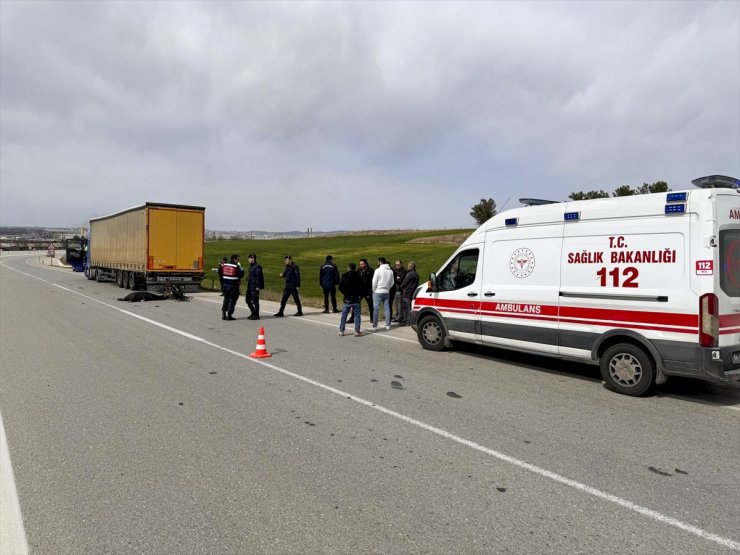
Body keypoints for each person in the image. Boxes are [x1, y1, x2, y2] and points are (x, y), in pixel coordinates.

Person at [337, 262, 364, 337]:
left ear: (348, 268)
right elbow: (362, 287)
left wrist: (345, 293)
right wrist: (360, 295)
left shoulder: (344, 276)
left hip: (347, 298)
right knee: (357, 315)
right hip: (356, 298)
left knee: (344, 315)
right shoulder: (358, 276)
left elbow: (340, 287)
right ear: (355, 268)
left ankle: (341, 330)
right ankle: (357, 331)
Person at [371, 256, 394, 331]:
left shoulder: (378, 270)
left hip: (378, 291)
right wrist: (388, 288)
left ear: (380, 262)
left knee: (376, 308)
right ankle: (388, 324)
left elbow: (374, 282)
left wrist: (374, 290)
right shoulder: (390, 271)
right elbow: (392, 282)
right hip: (386, 291)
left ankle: (375, 325)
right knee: (387, 308)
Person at [348, 258, 374, 324]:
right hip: (359, 291)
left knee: (370, 305)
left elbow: (368, 281)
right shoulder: (358, 270)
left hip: (367, 290)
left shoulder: (370, 270)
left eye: (362, 264)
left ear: (366, 264)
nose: (360, 265)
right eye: (360, 264)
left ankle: (372, 318)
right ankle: (352, 318)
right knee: (356, 304)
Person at [221, 254, 244, 320]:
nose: (238, 260)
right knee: (232, 300)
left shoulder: (225, 265)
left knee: (226, 299)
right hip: (233, 285)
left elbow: (221, 272)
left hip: (225, 285)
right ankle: (229, 315)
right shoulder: (236, 266)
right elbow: (241, 275)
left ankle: (223, 313)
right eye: (238, 259)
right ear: (234, 259)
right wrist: (241, 269)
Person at [398, 260, 419, 326]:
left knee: (406, 308)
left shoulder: (409, 274)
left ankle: (407, 321)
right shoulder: (416, 274)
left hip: (407, 292)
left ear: (412, 267)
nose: (408, 267)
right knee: (409, 307)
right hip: (413, 292)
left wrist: (401, 286)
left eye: (409, 266)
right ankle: (410, 321)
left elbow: (404, 283)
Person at [245, 253, 264, 320]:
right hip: (250, 286)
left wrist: (258, 286)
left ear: (253, 259)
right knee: (247, 300)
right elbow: (252, 276)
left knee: (255, 301)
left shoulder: (257, 267)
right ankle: (253, 312)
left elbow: (259, 277)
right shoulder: (251, 266)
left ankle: (256, 315)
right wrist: (248, 278)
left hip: (255, 287)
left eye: (249, 258)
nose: (248, 260)